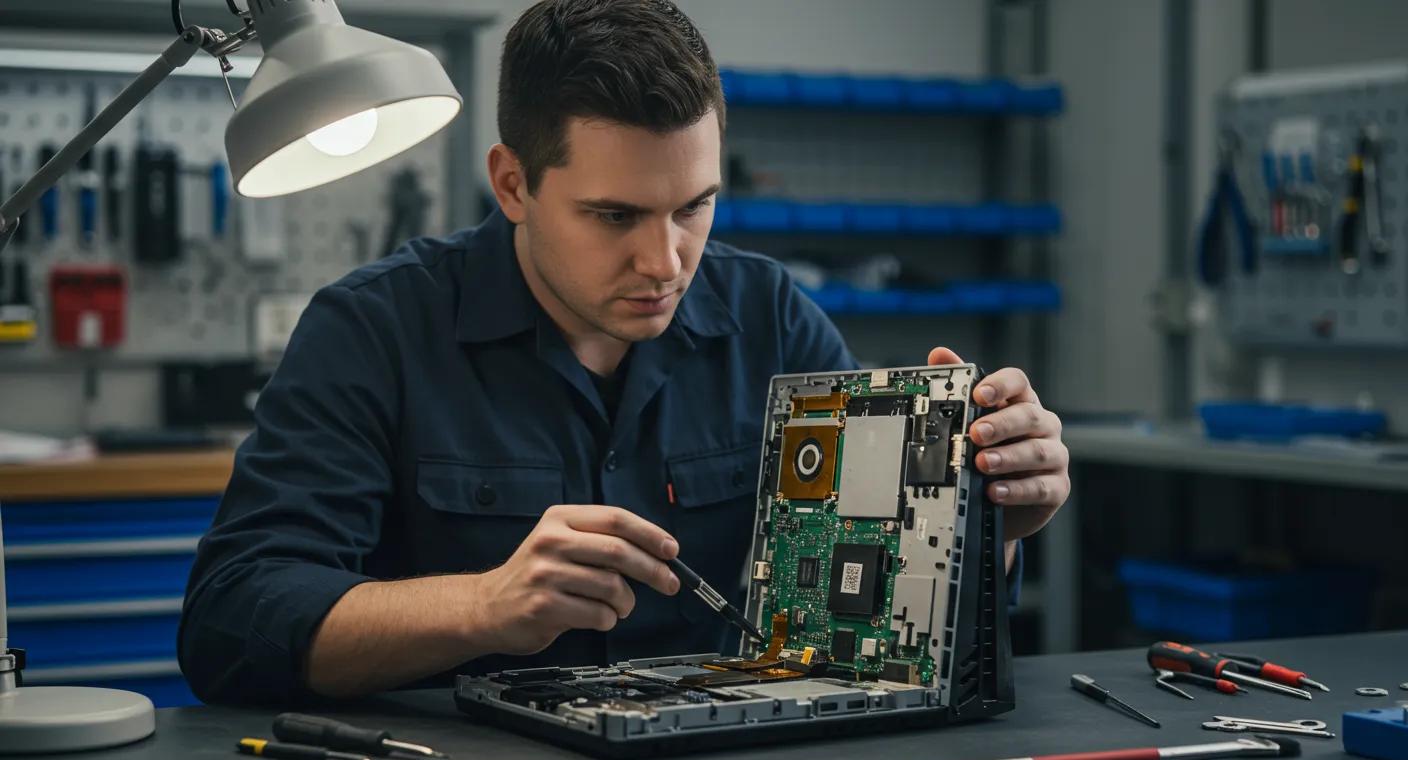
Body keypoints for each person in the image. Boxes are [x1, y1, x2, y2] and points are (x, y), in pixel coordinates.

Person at [178, 0, 1069, 705]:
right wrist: (481, 607)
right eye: (616, 217)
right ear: (513, 184)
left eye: (695, 207)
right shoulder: (372, 332)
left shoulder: (772, 319)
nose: (666, 261)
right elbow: (231, 626)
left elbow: (862, 628)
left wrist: (988, 524)